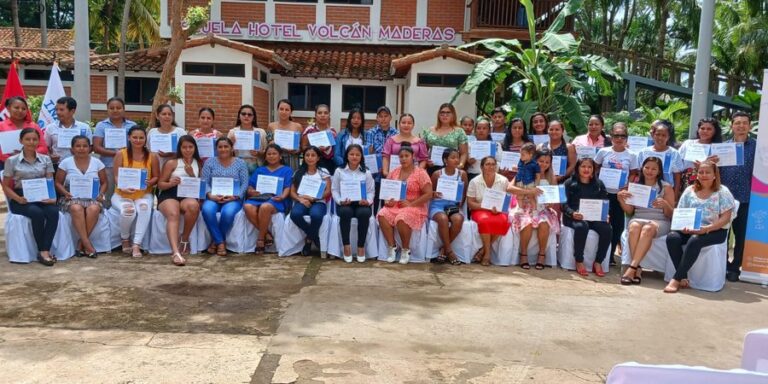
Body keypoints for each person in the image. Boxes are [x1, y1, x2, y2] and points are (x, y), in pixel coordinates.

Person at [664, 160, 735, 293]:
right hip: (690, 228)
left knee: (695, 240)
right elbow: (681, 212)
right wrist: (682, 226)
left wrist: (707, 229)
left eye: (707, 172)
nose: (704, 175)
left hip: (715, 230)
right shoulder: (689, 190)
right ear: (697, 175)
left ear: (715, 175)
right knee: (672, 237)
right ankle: (683, 277)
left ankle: (676, 279)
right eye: (701, 172)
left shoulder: (722, 191)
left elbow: (726, 218)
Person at [1, 128, 58, 265]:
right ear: (21, 141)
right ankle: (43, 251)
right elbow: (6, 186)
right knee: (36, 213)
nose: (31, 142)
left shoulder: (45, 159)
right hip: (20, 198)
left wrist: (53, 198)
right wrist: (18, 199)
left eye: (34, 139)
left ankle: (45, 249)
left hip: (41, 195)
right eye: (28, 139)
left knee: (53, 212)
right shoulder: (11, 161)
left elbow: (50, 181)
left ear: (39, 141)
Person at [616, 157, 675, 285]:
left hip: (660, 221)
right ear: (642, 169)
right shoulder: (635, 186)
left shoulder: (666, 187)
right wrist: (621, 199)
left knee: (648, 228)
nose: (650, 171)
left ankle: (632, 268)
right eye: (647, 167)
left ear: (659, 172)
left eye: (654, 169)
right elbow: (630, 211)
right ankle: (637, 268)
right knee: (634, 227)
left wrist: (665, 204)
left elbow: (671, 214)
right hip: (638, 217)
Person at [378, 143, 433, 264]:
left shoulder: (421, 173)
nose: (403, 158)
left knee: (402, 217)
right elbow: (387, 193)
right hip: (396, 205)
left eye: (406, 156)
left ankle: (405, 249)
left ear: (413, 156)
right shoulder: (394, 172)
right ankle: (392, 247)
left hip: (415, 205)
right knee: (382, 214)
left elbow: (428, 194)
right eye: (401, 156)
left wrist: (411, 204)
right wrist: (388, 202)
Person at [54, 135, 107, 259]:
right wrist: (65, 193)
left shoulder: (97, 162)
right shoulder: (65, 162)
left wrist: (101, 194)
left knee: (94, 209)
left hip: (93, 197)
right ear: (72, 148)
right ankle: (88, 245)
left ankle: (81, 243)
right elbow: (57, 183)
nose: (81, 149)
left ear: (90, 148)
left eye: (85, 146)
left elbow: (104, 182)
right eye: (78, 146)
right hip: (71, 197)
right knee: (76, 208)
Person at [594, 122, 639, 264]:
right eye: (616, 135)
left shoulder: (632, 155)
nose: (619, 138)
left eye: (622, 136)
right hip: (603, 193)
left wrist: (627, 185)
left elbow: (633, 173)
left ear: (627, 138)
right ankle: (598, 253)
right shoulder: (603, 152)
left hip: (620, 195)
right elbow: (595, 168)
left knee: (617, 225)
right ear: (611, 136)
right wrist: (598, 183)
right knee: (601, 222)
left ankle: (611, 254)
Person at [112, 126, 160, 258]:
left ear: (145, 139)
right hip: (122, 194)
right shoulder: (121, 154)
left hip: (143, 194)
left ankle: (136, 244)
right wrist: (122, 186)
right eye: (134, 137)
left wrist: (151, 182)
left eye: (141, 137)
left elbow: (156, 176)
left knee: (144, 209)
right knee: (128, 211)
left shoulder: (152, 156)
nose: (138, 140)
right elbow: (116, 176)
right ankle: (125, 238)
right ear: (129, 138)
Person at [156, 135, 204, 266]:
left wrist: (191, 175)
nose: (187, 150)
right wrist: (171, 183)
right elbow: (160, 184)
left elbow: (199, 184)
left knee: (194, 207)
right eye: (184, 147)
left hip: (187, 194)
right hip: (169, 193)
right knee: (173, 213)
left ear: (195, 148)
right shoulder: (173, 162)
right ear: (180, 148)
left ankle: (184, 238)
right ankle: (175, 252)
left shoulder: (197, 163)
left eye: (190, 147)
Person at [509, 147, 560, 270]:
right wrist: (529, 191)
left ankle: (542, 255)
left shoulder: (551, 177)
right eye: (541, 161)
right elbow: (509, 188)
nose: (544, 164)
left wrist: (550, 203)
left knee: (544, 222)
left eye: (547, 162)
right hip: (525, 206)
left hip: (542, 208)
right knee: (527, 222)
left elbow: (554, 197)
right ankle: (523, 254)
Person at [719, 112, 755, 282]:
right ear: (731, 126)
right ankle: (723, 265)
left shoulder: (758, 147)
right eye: (737, 123)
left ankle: (735, 268)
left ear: (750, 126)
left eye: (744, 123)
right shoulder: (722, 147)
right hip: (724, 198)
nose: (741, 126)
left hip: (747, 197)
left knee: (742, 236)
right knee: (722, 233)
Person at [562, 158, 612, 277]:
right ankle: (579, 261)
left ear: (593, 169)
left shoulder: (599, 184)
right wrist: (572, 213)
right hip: (574, 216)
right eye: (583, 166)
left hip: (594, 217)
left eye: (589, 167)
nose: (586, 169)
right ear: (577, 168)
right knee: (581, 227)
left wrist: (606, 214)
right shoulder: (569, 183)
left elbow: (605, 201)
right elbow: (563, 204)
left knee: (607, 228)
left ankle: (598, 261)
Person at [201, 137, 249, 257]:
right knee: (207, 210)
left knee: (227, 213)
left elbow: (245, 183)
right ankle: (220, 242)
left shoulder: (240, 163)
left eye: (226, 146)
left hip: (233, 198)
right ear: (216, 149)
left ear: (231, 148)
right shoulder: (209, 162)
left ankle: (216, 242)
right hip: (213, 197)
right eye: (220, 147)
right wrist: (210, 195)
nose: (223, 149)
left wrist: (236, 196)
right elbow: (204, 181)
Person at [244, 144, 293, 254]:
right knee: (247, 206)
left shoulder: (287, 170)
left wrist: (283, 196)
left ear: (280, 156)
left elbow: (287, 187)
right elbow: (251, 186)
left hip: (277, 199)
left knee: (265, 207)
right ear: (265, 157)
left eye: (274, 153)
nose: (271, 156)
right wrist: (251, 191)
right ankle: (267, 234)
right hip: (260, 197)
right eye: (269, 154)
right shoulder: (260, 170)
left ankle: (260, 239)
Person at [331, 144, 376, 263]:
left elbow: (371, 191)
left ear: (361, 157)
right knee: (345, 212)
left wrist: (368, 201)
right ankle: (346, 246)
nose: (354, 157)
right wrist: (340, 200)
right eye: (351, 154)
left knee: (364, 213)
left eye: (357, 154)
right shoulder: (339, 171)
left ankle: (361, 247)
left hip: (362, 203)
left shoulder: (366, 172)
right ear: (347, 156)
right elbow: (334, 190)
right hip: (345, 203)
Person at [93, 97, 137, 206]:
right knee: (108, 195)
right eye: (111, 108)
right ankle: (107, 220)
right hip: (108, 166)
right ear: (107, 109)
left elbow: (137, 144)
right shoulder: (101, 125)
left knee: (127, 195)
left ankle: (125, 221)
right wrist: (117, 154)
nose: (115, 110)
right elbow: (96, 147)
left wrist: (124, 155)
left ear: (124, 109)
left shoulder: (132, 125)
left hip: (128, 166)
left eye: (118, 108)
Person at [466, 156, 510, 266]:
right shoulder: (474, 181)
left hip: (498, 211)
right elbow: (470, 203)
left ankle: (483, 251)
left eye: (493, 164)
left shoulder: (503, 180)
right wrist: (485, 207)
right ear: (481, 167)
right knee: (485, 221)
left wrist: (499, 209)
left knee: (504, 221)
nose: (490, 167)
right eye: (487, 164)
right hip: (480, 210)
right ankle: (487, 254)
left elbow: (507, 200)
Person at [290, 146, 332, 256]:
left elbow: (328, 191)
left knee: (316, 215)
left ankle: (308, 241)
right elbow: (292, 192)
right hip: (302, 200)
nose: (310, 158)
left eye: (313, 155)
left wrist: (315, 198)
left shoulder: (323, 172)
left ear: (318, 158)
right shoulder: (299, 172)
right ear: (304, 158)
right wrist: (300, 199)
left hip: (318, 201)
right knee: (295, 214)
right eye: (307, 155)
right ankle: (314, 237)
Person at [429, 148, 468, 265]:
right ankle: (450, 251)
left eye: (457, 157)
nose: (456, 160)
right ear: (445, 160)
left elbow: (464, 193)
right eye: (453, 157)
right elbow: (430, 192)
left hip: (452, 205)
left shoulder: (462, 174)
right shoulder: (437, 174)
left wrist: (460, 201)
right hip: (438, 205)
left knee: (458, 219)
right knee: (443, 219)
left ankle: (444, 249)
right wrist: (434, 194)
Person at [637, 119, 684, 199]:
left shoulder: (674, 153)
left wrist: (675, 197)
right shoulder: (643, 152)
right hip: (646, 191)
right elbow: (639, 173)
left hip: (667, 193)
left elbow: (677, 177)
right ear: (653, 135)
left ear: (668, 137)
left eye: (664, 135)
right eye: (657, 134)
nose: (660, 138)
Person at [364, 105, 399, 212]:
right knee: (375, 196)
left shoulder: (396, 133)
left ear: (390, 117)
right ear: (377, 118)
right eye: (381, 116)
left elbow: (396, 153)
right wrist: (378, 166)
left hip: (391, 170)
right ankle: (373, 219)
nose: (383, 119)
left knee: (387, 198)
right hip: (375, 172)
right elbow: (369, 152)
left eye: (386, 116)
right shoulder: (370, 132)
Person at [0, 97, 47, 170]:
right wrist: (13, 159)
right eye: (16, 107)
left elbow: (43, 148)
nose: (20, 111)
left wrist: (26, 155)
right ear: (8, 108)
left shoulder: (33, 126)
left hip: (32, 165)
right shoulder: (1, 126)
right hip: (6, 165)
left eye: (24, 108)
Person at [421, 103, 468, 175]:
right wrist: (427, 160)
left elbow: (464, 153)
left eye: (448, 113)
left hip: (451, 169)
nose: (445, 115)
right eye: (442, 113)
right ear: (438, 115)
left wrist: (461, 165)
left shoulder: (459, 131)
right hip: (432, 167)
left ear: (453, 115)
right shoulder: (429, 131)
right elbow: (424, 152)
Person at [44, 96, 93, 165]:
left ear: (72, 111)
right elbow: (46, 147)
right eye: (56, 109)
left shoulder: (84, 127)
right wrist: (50, 156)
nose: (58, 112)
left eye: (61, 110)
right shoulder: (50, 127)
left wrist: (80, 152)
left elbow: (90, 146)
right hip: (57, 165)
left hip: (79, 164)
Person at [678, 118, 722, 191]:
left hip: (707, 182)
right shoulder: (688, 143)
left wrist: (705, 166)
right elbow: (678, 163)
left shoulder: (717, 148)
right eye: (702, 128)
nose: (705, 131)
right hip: (686, 180)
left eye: (709, 129)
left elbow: (718, 171)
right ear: (698, 130)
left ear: (715, 131)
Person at [228, 104, 267, 173]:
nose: (246, 116)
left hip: (256, 166)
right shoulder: (232, 132)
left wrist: (258, 153)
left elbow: (266, 152)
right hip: (237, 166)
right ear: (239, 116)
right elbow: (226, 153)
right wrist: (231, 145)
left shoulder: (261, 132)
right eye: (243, 114)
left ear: (254, 117)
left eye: (249, 114)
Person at [267, 99, 304, 169]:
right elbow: (268, 143)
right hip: (275, 160)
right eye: (281, 109)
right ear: (277, 110)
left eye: (287, 110)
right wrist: (271, 143)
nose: (284, 112)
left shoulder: (298, 126)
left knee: (291, 178)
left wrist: (296, 150)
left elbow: (301, 147)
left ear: (291, 112)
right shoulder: (270, 126)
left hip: (292, 159)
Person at [301, 104, 338, 174]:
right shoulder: (309, 130)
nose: (323, 115)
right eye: (319, 113)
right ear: (315, 115)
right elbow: (303, 147)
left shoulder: (332, 131)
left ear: (329, 115)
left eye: (326, 113)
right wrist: (316, 149)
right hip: (311, 163)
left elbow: (335, 150)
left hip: (329, 164)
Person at [147, 104, 187, 168]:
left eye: (169, 114)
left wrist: (172, 154)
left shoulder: (180, 132)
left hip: (176, 169)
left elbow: (187, 152)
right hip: (156, 169)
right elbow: (149, 150)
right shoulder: (152, 132)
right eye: (164, 114)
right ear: (157, 116)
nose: (167, 116)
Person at [466, 117, 502, 182]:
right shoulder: (470, 145)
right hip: (474, 175)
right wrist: (472, 160)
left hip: (492, 176)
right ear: (475, 130)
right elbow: (468, 162)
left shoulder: (496, 145)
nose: (481, 130)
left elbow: (500, 161)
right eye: (478, 128)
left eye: (484, 128)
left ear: (489, 131)